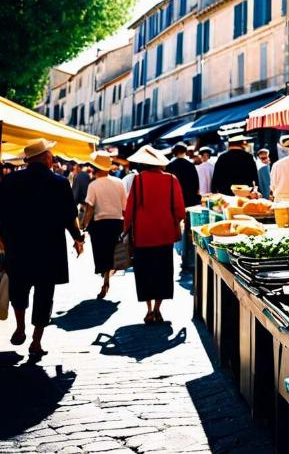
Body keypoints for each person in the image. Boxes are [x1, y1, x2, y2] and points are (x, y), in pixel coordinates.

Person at [0, 139, 85, 356]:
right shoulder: (59, 183)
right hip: (50, 248)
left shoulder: (10, 181)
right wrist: (78, 238)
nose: (52, 157)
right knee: (44, 295)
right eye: (50, 154)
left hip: (18, 246)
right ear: (45, 157)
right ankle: (36, 342)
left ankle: (20, 328)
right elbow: (70, 216)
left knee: (19, 289)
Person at [124, 145, 185, 324]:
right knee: (163, 273)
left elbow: (130, 208)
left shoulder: (139, 179)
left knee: (145, 273)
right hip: (165, 234)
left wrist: (126, 228)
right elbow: (180, 210)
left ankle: (149, 310)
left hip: (143, 236)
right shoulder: (171, 179)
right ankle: (158, 309)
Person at [81, 151, 126, 299]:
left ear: (95, 168)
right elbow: (124, 206)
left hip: (100, 224)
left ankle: (105, 275)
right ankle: (107, 275)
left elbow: (90, 208)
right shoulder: (119, 182)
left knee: (102, 254)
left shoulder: (93, 185)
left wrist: (83, 223)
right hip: (117, 223)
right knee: (113, 252)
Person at [165, 142, 200, 272]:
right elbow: (196, 186)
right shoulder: (190, 166)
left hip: (172, 201)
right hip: (189, 201)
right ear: (185, 152)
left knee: (173, 228)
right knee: (189, 229)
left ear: (174, 152)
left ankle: (176, 254)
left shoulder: (170, 166)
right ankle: (188, 258)